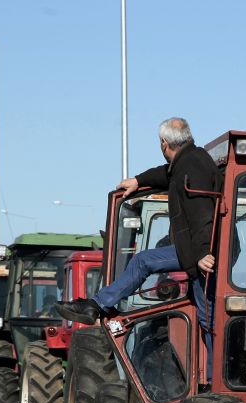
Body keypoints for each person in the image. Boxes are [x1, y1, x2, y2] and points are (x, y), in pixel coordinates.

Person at [56, 117, 220, 379]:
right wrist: (138, 180)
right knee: (201, 312)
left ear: (164, 143)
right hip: (199, 250)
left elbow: (203, 212)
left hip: (203, 253)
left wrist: (202, 253)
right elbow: (165, 174)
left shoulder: (193, 168)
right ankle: (98, 304)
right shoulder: (188, 162)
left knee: (207, 318)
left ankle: (214, 380)